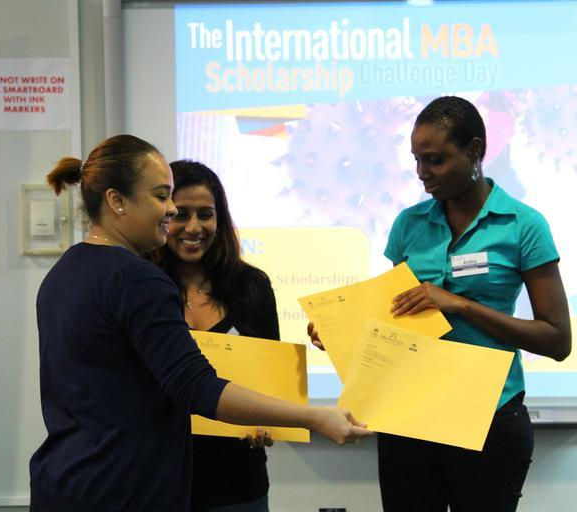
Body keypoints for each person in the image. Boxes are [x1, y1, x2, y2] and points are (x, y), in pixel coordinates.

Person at [31, 134, 371, 512]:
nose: (171, 209)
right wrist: (314, 416)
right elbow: (195, 386)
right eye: (161, 196)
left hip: (63, 483)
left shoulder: (63, 272)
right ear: (117, 200)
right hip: (124, 489)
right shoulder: (137, 278)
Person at [310, 95, 572, 512]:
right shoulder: (409, 224)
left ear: (474, 150)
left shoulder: (523, 225)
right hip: (410, 415)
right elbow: (396, 320)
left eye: (435, 160)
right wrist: (342, 331)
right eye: (417, 160)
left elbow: (557, 340)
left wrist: (460, 305)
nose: (422, 174)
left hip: (489, 415)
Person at [149, 160, 277, 512]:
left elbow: (272, 382)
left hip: (238, 483)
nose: (194, 227)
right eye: (181, 214)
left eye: (205, 214)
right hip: (159, 481)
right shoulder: (142, 286)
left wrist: (268, 421)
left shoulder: (252, 286)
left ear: (220, 220)